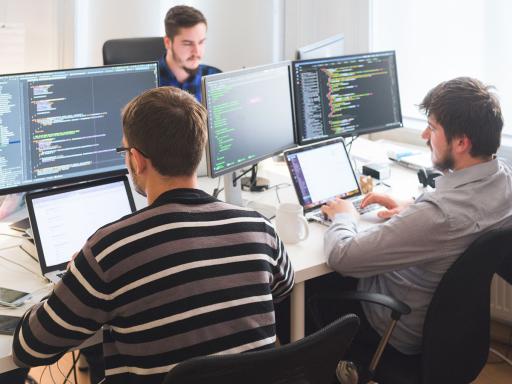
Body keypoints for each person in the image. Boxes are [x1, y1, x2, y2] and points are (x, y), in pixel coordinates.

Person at [11, 86, 294, 384]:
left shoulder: (110, 251)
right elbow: (283, 290)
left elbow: (29, 348)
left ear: (137, 160)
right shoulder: (260, 228)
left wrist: (75, 283)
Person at [313, 77, 512, 374]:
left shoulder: (438, 216)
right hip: (450, 331)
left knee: (302, 287)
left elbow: (342, 257)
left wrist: (345, 215)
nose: (424, 135)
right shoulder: (503, 180)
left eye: (432, 128)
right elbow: (460, 216)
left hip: (393, 329)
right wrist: (412, 206)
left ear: (461, 142)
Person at [159, 5, 221, 102]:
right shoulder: (148, 82)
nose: (196, 51)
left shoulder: (215, 78)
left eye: (201, 42)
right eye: (188, 44)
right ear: (167, 42)